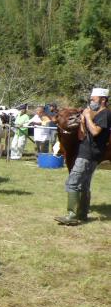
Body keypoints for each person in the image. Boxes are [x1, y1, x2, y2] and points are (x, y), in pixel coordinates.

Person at [55, 87, 111, 225]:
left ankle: (72, 216)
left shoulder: (105, 113)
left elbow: (96, 132)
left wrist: (86, 116)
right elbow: (82, 136)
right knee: (84, 185)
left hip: (89, 154)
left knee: (72, 182)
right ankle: (82, 214)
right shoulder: (96, 114)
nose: (91, 101)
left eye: (94, 99)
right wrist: (81, 123)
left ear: (103, 100)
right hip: (87, 151)